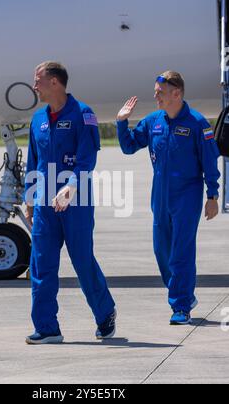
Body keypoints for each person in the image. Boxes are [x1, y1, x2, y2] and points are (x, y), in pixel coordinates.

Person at [116, 71, 220, 325]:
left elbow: (209, 161)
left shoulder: (197, 123)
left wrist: (212, 195)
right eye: (156, 92)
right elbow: (129, 146)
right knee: (161, 250)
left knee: (181, 252)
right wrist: (121, 122)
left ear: (177, 93)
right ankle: (181, 293)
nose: (156, 96)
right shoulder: (154, 122)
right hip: (160, 194)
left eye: (160, 93)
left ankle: (181, 305)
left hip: (188, 194)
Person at [24, 61, 116, 344]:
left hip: (76, 202)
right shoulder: (37, 119)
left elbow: (87, 158)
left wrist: (71, 187)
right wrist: (29, 196)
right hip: (44, 204)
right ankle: (47, 328)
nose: (34, 85)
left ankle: (105, 313)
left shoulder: (83, 114)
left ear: (55, 82)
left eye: (38, 79)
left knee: (82, 261)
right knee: (41, 264)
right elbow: (33, 162)